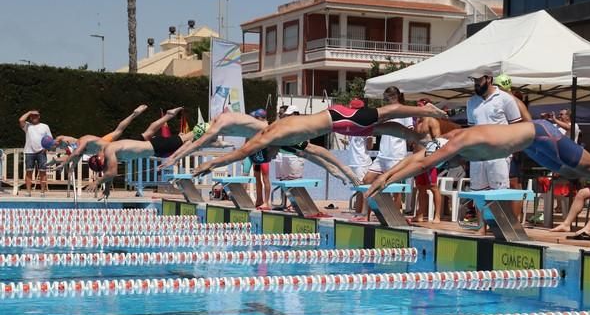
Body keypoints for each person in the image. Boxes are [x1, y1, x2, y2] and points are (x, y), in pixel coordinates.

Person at [365, 119, 590, 210]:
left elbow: (423, 163)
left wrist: (388, 181)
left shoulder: (456, 143)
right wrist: (386, 176)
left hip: (541, 134)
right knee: (573, 172)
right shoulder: (447, 139)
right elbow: (418, 157)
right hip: (531, 144)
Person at [191, 92, 446, 177]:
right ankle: (423, 140)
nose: (273, 156)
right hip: (339, 126)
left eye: (268, 156)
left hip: (337, 117)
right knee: (388, 129)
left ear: (264, 150)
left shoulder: (268, 137)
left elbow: (238, 154)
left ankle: (426, 110)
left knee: (385, 112)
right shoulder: (280, 141)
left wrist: (210, 164)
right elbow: (315, 152)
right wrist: (340, 171)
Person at [159, 108, 360, 187]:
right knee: (306, 152)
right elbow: (191, 144)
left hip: (274, 135)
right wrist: (173, 158)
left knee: (311, 151)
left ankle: (342, 170)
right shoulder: (220, 124)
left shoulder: (218, 126)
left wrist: (174, 160)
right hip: (267, 139)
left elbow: (196, 145)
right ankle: (339, 171)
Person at [466, 72, 523, 233]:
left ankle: (501, 227)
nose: (476, 83)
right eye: (474, 80)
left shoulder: (505, 99)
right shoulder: (471, 102)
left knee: (499, 192)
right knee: (478, 192)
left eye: (478, 80)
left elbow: (516, 127)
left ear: (489, 79)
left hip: (499, 153)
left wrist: (512, 149)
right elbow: (471, 129)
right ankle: (481, 227)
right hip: (478, 154)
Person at [54, 105, 165, 170]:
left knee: (147, 134)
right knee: (119, 130)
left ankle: (167, 116)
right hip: (106, 143)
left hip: (117, 146)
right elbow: (76, 156)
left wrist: (64, 163)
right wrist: (69, 165)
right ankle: (134, 114)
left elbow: (75, 154)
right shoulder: (82, 144)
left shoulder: (81, 143)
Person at [359, 87, 412, 217]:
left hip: (396, 155)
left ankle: (395, 215)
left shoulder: (405, 111)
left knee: (396, 189)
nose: (386, 100)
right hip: (382, 155)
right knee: (367, 180)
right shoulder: (385, 111)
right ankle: (366, 213)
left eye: (388, 97)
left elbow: (410, 134)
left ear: (396, 96)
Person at [493, 73, 531, 222]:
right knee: (503, 184)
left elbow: (527, 123)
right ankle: (505, 220)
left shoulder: (513, 101)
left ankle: (514, 221)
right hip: (505, 148)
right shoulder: (503, 100)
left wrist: (517, 145)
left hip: (514, 148)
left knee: (514, 184)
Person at [18, 109, 52, 197]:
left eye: (36, 115)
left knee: (42, 172)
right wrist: (30, 112)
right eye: (32, 116)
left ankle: (42, 192)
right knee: (29, 172)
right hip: (29, 152)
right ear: (30, 117)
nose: (34, 117)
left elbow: (50, 139)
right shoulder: (27, 126)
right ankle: (28, 192)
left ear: (39, 117)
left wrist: (46, 148)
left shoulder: (45, 126)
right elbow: (21, 120)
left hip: (41, 152)